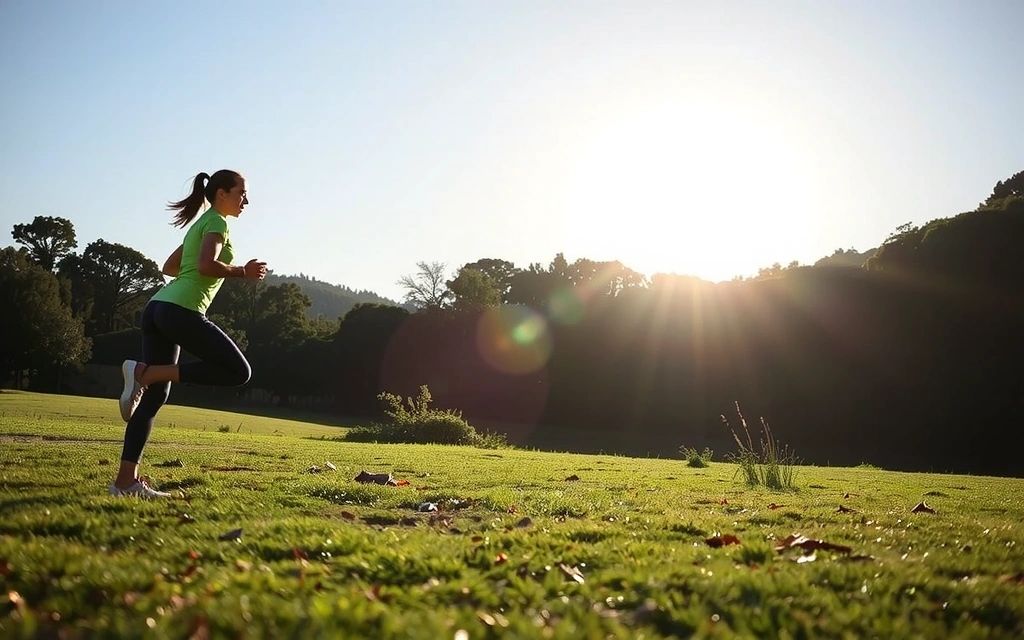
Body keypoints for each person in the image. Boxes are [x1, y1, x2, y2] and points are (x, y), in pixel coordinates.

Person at [109, 170, 267, 498]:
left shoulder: (200, 224)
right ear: (221, 193)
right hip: (180, 310)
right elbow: (207, 266)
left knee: (155, 397)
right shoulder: (218, 224)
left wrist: (197, 272)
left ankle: (125, 483)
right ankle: (144, 372)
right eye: (242, 193)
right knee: (239, 371)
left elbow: (169, 267)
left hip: (157, 309)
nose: (246, 201)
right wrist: (242, 272)